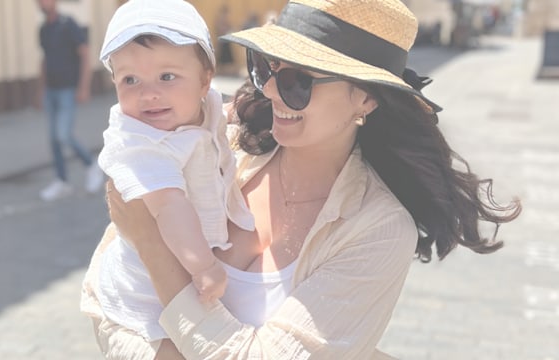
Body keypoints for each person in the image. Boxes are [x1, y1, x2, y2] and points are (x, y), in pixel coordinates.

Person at [81, 0, 522, 358]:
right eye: (265, 69)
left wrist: (156, 251)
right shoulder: (223, 142)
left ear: (365, 98)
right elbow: (103, 294)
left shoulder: (379, 229)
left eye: (297, 82)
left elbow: (140, 239)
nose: (270, 91)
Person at [91, 0, 255, 351]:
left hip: (187, 254)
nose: (148, 93)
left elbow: (223, 113)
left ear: (204, 80)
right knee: (175, 344)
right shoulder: (140, 140)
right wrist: (204, 267)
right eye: (129, 79)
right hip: (148, 282)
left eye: (167, 77)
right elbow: (169, 207)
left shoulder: (208, 103)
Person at [36, 0, 104, 201]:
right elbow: (44, 60)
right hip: (51, 90)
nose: (42, 3)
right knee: (53, 140)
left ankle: (91, 165)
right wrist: (40, 90)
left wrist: (84, 86)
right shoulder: (43, 29)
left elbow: (84, 54)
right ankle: (62, 181)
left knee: (63, 135)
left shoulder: (68, 24)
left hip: (68, 90)